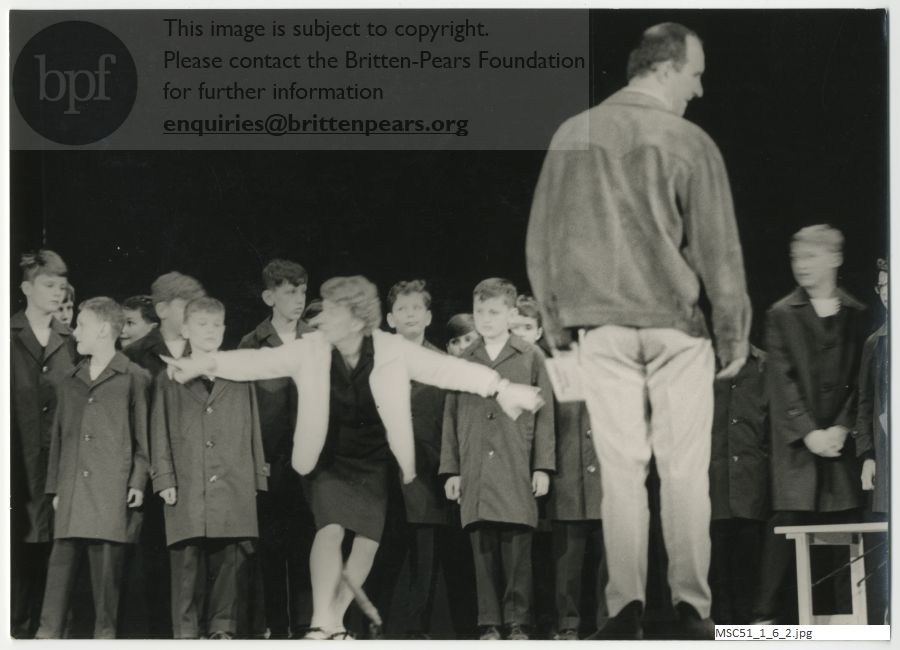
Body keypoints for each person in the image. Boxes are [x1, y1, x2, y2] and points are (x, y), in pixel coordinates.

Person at [161, 275, 544, 640]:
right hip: (327, 456)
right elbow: (252, 363)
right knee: (330, 529)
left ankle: (336, 618)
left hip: (373, 459)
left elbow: (446, 369)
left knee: (367, 542)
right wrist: (201, 364)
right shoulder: (310, 349)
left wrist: (501, 387)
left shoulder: (391, 349)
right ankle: (319, 622)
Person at [526, 22, 751, 639]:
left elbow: (543, 242)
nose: (700, 90)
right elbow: (719, 252)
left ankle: (622, 606)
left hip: (599, 328)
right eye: (696, 74)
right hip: (675, 328)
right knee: (683, 472)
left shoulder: (572, 133)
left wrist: (556, 326)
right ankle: (691, 609)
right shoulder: (687, 139)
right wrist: (732, 335)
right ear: (665, 67)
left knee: (621, 475)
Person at [752, 225, 866, 623]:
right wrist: (809, 432)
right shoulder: (782, 313)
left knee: (844, 531)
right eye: (796, 257)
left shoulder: (855, 313)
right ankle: (763, 620)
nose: (801, 265)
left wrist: (842, 427)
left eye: (810, 256)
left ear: (834, 258)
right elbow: (781, 381)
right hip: (799, 446)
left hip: (839, 441)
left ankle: (852, 621)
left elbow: (862, 377)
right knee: (786, 526)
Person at [440, 278, 556, 641]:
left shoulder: (530, 356)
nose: (486, 319)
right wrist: (452, 469)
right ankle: (488, 622)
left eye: (493, 312)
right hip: (476, 467)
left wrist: (542, 466)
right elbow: (451, 416)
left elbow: (546, 415)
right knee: (483, 546)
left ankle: (518, 621)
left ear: (510, 313)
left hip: (515, 463)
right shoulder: (465, 358)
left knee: (517, 546)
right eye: (480, 312)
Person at [151, 297, 268, 639]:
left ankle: (222, 630)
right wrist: (164, 478)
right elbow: (159, 430)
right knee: (188, 561)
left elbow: (254, 427)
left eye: (217, 325)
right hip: (188, 481)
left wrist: (257, 477)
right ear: (186, 329)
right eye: (202, 324)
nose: (210, 331)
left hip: (233, 479)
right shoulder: (169, 376)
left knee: (230, 559)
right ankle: (187, 631)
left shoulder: (238, 374)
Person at [36, 298, 151, 638]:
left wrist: (137, 482)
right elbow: (60, 437)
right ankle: (46, 638)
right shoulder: (71, 380)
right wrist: (55, 487)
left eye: (81, 325)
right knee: (57, 581)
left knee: (106, 587)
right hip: (71, 493)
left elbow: (144, 438)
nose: (74, 332)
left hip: (109, 493)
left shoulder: (133, 377)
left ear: (103, 330)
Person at [513, 296, 609, 640]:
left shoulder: (611, 365)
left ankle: (608, 625)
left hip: (606, 475)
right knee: (567, 560)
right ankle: (568, 626)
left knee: (608, 563)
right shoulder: (550, 366)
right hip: (567, 475)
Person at [123, 271, 205, 638]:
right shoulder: (134, 357)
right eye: (185, 305)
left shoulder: (205, 352)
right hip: (150, 473)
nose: (192, 313)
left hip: (192, 470)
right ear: (162, 309)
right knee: (154, 557)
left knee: (193, 561)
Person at [238, 259, 316, 638]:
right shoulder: (252, 343)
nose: (299, 299)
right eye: (289, 292)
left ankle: (305, 625)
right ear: (270, 296)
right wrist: (256, 461)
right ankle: (275, 625)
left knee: (308, 545)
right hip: (269, 463)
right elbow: (246, 409)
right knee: (271, 546)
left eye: (302, 291)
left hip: (311, 464)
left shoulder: (318, 339)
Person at [378, 280, 454, 638]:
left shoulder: (445, 365)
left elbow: (451, 424)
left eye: (416, 309)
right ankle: (373, 630)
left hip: (428, 476)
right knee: (381, 557)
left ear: (428, 317)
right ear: (390, 319)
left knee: (425, 560)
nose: (410, 315)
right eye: (402, 309)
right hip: (382, 478)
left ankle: (418, 633)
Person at [11, 250, 78, 638]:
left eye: (60, 286)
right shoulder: (9, 335)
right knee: (18, 551)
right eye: (48, 285)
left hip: (60, 464)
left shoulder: (71, 340)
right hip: (17, 468)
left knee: (57, 550)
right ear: (26, 288)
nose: (57, 293)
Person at [708, 344, 769, 625]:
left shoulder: (764, 365)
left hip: (752, 482)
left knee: (749, 568)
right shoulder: (698, 363)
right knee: (716, 572)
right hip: (711, 485)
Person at [853, 257, 889, 624]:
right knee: (882, 552)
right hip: (886, 461)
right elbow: (863, 403)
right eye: (883, 288)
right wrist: (866, 455)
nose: (889, 295)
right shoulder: (874, 343)